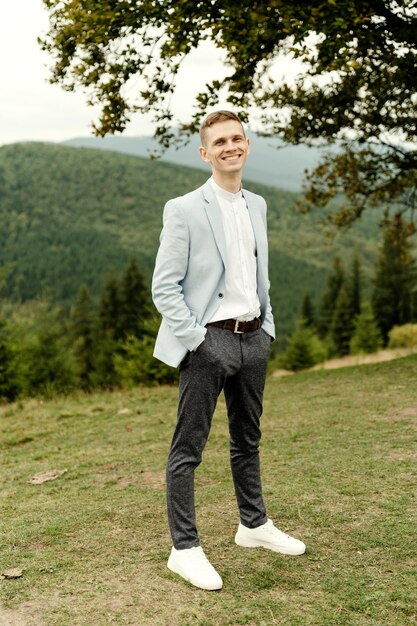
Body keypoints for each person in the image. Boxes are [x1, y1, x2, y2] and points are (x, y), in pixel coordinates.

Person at [152, 110, 306, 591]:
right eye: (219, 142)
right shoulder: (184, 208)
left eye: (237, 138)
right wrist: (199, 341)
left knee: (248, 440)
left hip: (254, 337)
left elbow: (258, 275)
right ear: (205, 152)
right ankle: (185, 549)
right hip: (208, 341)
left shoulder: (256, 204)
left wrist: (268, 329)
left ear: (247, 145)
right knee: (188, 448)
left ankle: (253, 525)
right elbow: (164, 288)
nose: (230, 147)